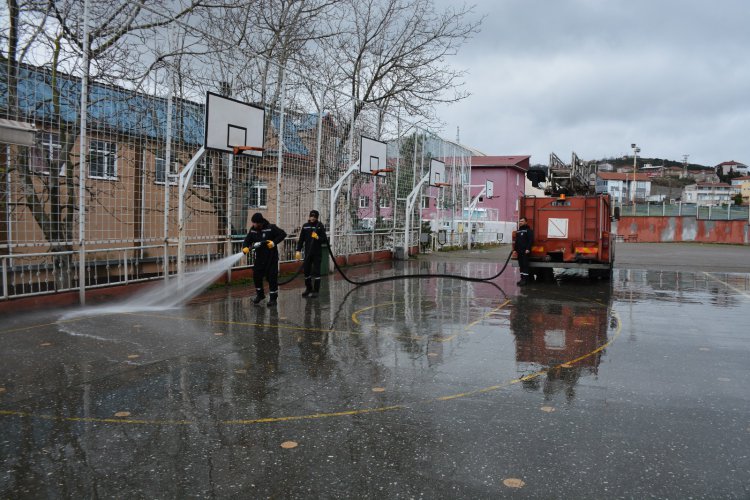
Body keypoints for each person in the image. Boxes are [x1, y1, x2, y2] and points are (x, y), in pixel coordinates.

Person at [242, 212, 287, 306]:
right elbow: (247, 239)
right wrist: (245, 247)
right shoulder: (253, 230)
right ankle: (260, 295)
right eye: (252, 223)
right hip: (259, 258)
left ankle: (273, 299)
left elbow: (283, 234)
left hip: (271, 258)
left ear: (260, 222)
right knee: (256, 276)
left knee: (272, 278)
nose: (253, 225)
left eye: (254, 223)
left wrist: (274, 243)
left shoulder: (271, 228)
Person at [295, 209, 327, 298]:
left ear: (317, 217)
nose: (312, 218)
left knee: (316, 272)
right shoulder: (305, 226)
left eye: (314, 217)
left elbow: (324, 240)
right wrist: (298, 250)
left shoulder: (320, 226)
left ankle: (316, 291)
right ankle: (308, 288)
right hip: (307, 253)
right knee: (306, 272)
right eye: (311, 216)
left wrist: (317, 237)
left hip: (317, 253)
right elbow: (301, 240)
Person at [514, 216, 534, 286]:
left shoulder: (528, 230)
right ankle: (522, 279)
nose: (520, 222)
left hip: (525, 251)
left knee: (525, 265)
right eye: (520, 221)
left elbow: (530, 240)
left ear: (526, 222)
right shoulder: (519, 231)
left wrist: (528, 249)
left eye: (522, 221)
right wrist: (515, 250)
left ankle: (525, 280)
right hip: (519, 251)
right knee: (521, 265)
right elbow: (517, 241)